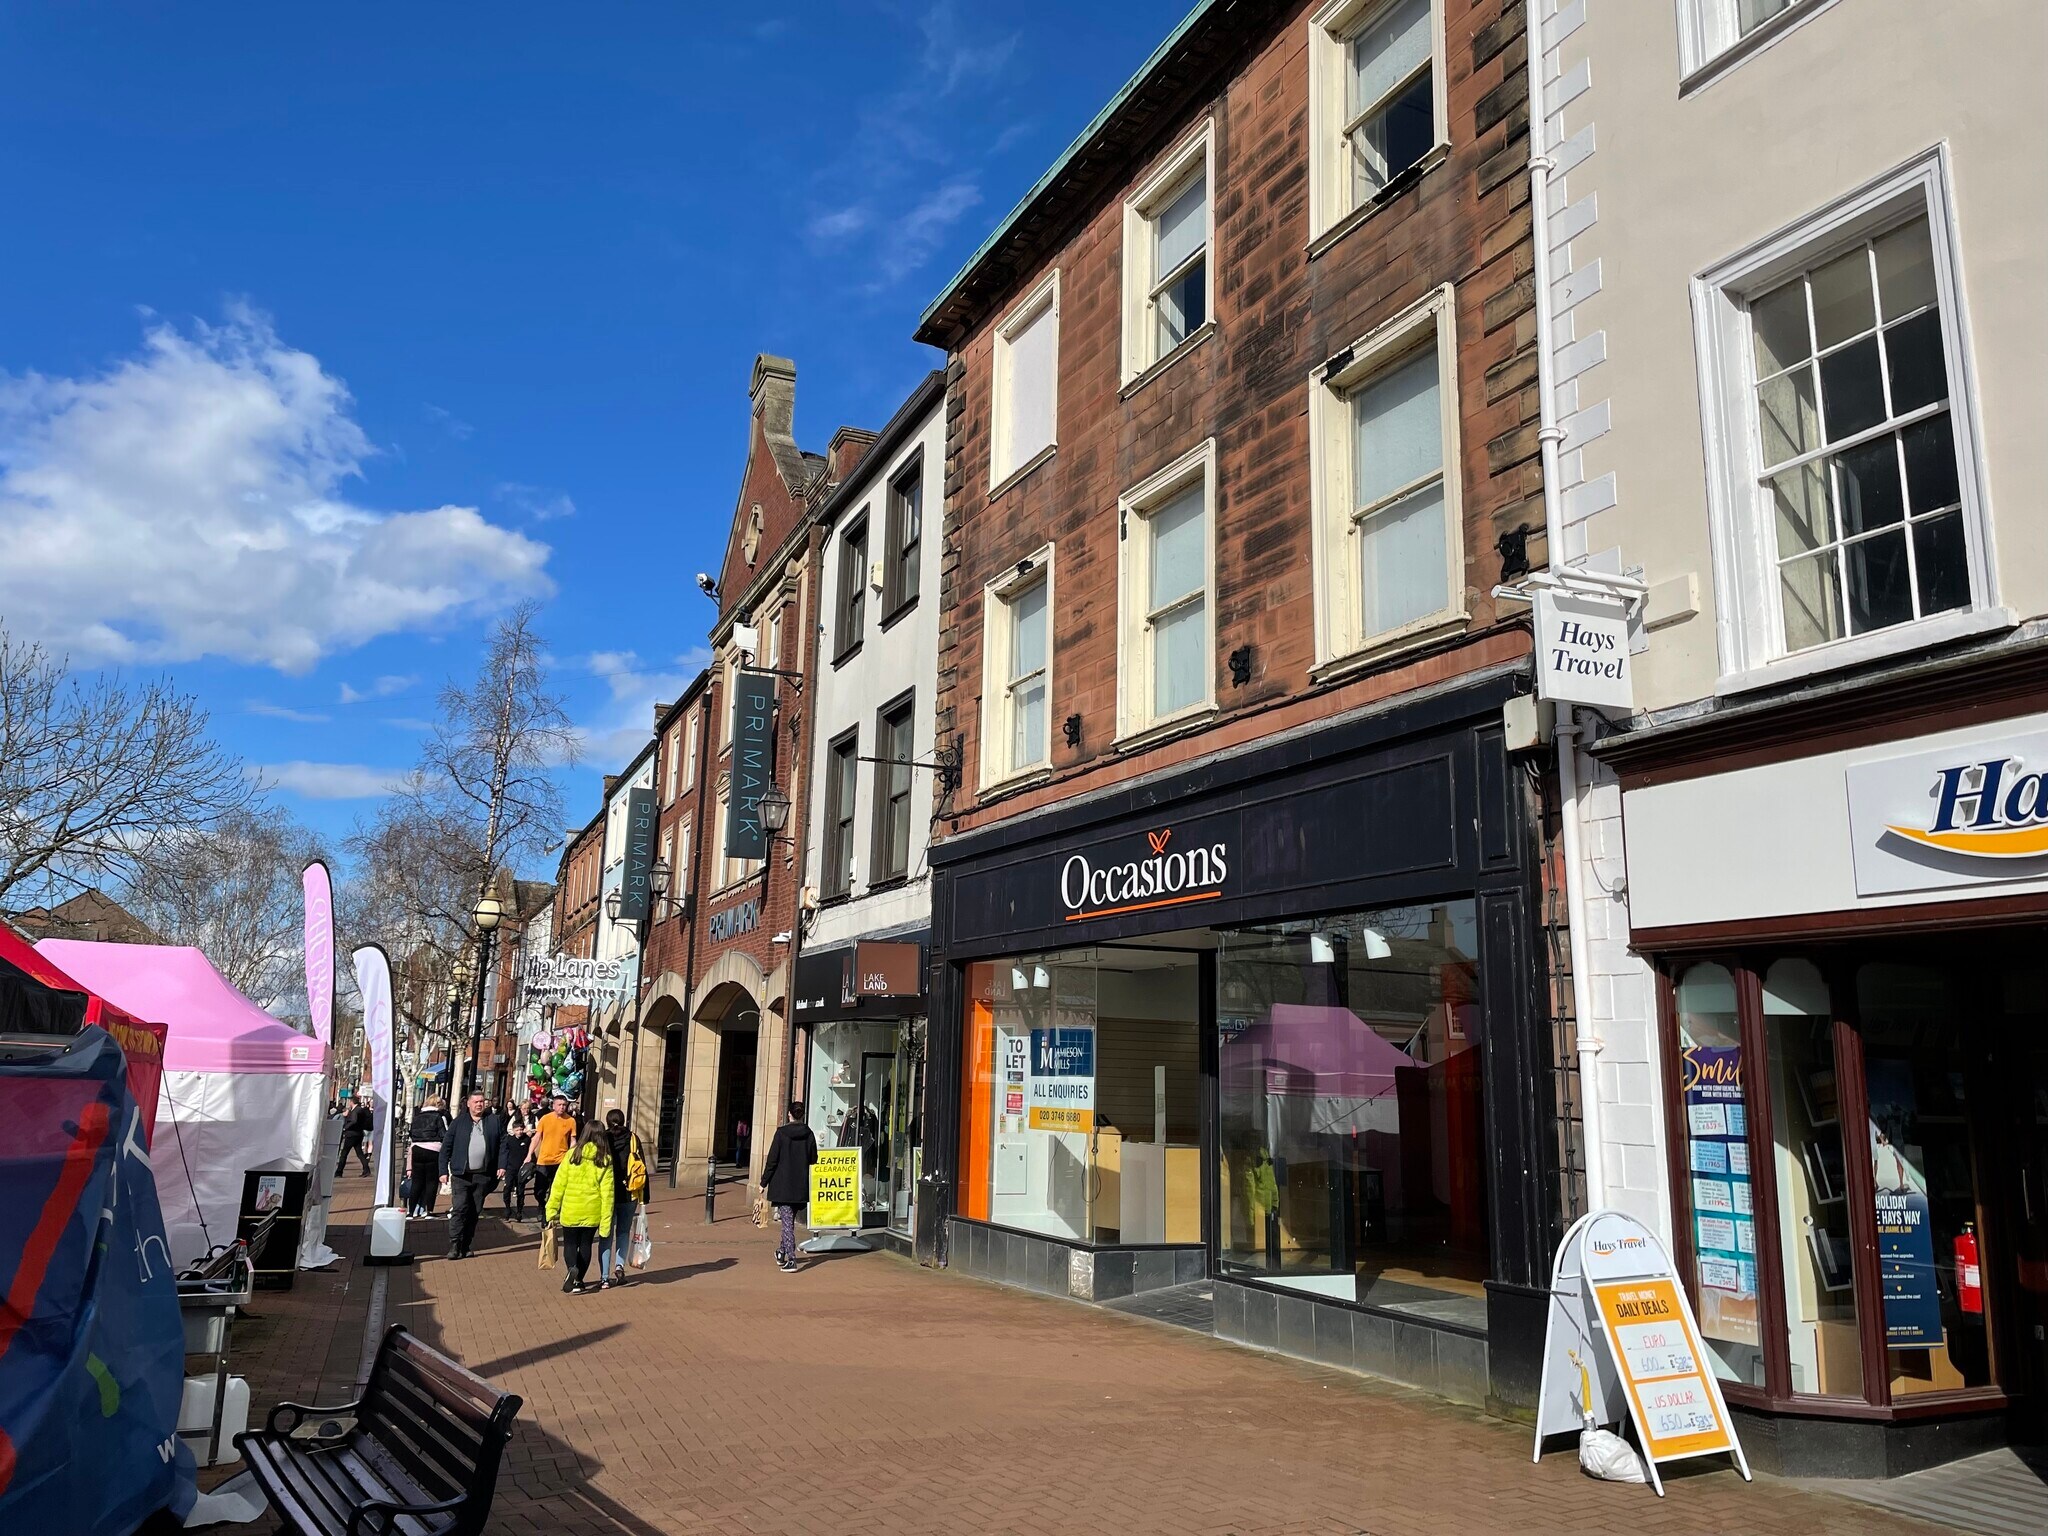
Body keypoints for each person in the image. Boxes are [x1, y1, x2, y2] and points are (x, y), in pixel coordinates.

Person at [545, 1125, 614, 1295]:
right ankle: (579, 1279)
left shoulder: (571, 1155)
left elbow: (558, 1185)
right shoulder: (604, 1159)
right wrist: (606, 1221)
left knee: (570, 1244)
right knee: (585, 1245)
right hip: (592, 1209)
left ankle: (572, 1271)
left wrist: (552, 1208)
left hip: (571, 1208)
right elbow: (608, 1194)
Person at [441, 1088, 505, 1260]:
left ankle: (466, 1244)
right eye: (476, 1102)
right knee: (460, 1209)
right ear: (468, 1104)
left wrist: (501, 1165)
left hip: (483, 1175)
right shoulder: (458, 1122)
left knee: (474, 1211)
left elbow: (502, 1144)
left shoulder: (494, 1121)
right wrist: (442, 1171)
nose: (479, 1105)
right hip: (461, 1175)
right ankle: (455, 1244)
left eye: (482, 1101)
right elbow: (446, 1146)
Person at [759, 1100, 817, 1273]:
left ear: (789, 1115)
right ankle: (782, 1251)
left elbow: (772, 1160)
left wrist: (763, 1182)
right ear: (802, 1115)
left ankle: (791, 1258)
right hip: (799, 1185)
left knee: (787, 1223)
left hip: (783, 1184)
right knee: (788, 1221)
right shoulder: (809, 1134)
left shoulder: (781, 1134)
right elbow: (813, 1158)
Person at [596, 1107, 650, 1289]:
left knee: (606, 1234)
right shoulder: (633, 1138)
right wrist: (645, 1196)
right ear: (624, 1120)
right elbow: (642, 1166)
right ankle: (619, 1267)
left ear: (607, 1121)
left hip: (608, 1193)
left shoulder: (602, 1139)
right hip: (629, 1192)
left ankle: (604, 1277)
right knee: (623, 1232)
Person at [531, 1094, 577, 1215]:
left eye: (564, 1105)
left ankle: (548, 1214)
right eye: (560, 1105)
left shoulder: (571, 1121)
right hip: (544, 1160)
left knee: (555, 1190)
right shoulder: (545, 1119)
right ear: (553, 1106)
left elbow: (573, 1140)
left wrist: (571, 1155)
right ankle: (542, 1203)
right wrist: (528, 1155)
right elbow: (536, 1138)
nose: (562, 1107)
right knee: (538, 1191)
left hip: (561, 1160)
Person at [407, 1096, 450, 1218]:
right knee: (431, 1182)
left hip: (417, 1150)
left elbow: (412, 1133)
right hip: (433, 1150)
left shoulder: (417, 1117)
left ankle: (410, 1212)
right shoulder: (439, 1117)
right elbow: (444, 1135)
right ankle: (429, 1211)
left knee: (417, 1182)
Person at [499, 1107, 534, 1221]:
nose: (519, 1132)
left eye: (520, 1129)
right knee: (507, 1189)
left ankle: (519, 1211)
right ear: (513, 1130)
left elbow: (531, 1152)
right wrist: (502, 1167)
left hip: (521, 1169)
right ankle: (507, 1208)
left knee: (520, 1191)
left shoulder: (527, 1140)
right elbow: (504, 1153)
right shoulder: (509, 1140)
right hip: (510, 1168)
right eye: (517, 1130)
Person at [336, 1099, 373, 1177]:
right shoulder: (361, 1110)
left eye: (349, 1102)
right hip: (359, 1134)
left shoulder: (356, 1111)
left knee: (344, 1153)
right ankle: (366, 1170)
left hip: (351, 1134)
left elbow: (354, 1121)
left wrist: (345, 1128)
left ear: (352, 1102)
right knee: (360, 1153)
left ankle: (339, 1172)